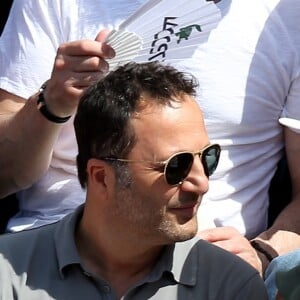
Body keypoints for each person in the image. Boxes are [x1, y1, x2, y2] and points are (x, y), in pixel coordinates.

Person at [0, 0, 299, 293]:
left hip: (207, 273)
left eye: (210, 159)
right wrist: (50, 103)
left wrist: (265, 253)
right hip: (45, 264)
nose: (202, 184)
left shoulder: (286, 14)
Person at [0, 61, 267, 299]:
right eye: (176, 165)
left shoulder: (230, 286)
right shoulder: (7, 273)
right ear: (102, 177)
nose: (201, 183)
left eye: (208, 157)